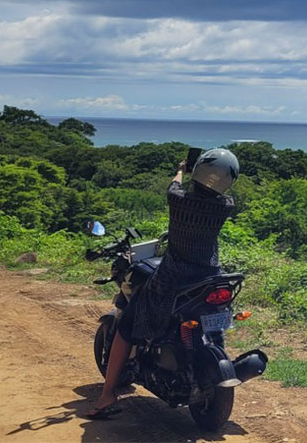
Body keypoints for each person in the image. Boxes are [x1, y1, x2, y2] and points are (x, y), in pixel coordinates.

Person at [86, 148, 239, 419]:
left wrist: (182, 168)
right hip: (209, 277)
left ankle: (108, 393)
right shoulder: (225, 206)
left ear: (199, 172)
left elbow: (175, 183)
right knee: (210, 320)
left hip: (172, 279)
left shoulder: (178, 200)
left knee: (126, 327)